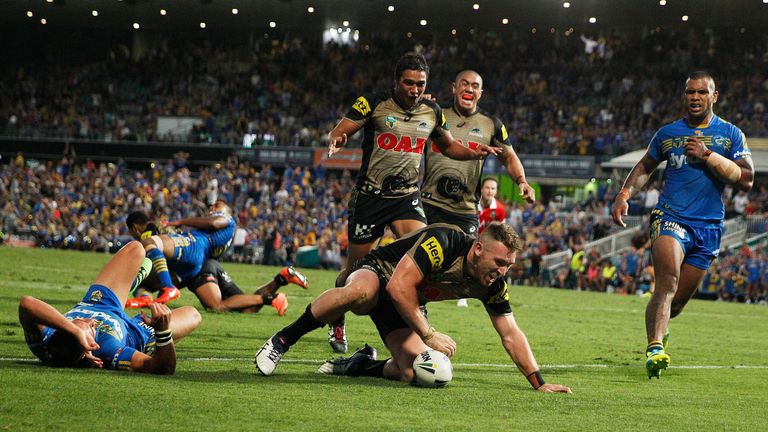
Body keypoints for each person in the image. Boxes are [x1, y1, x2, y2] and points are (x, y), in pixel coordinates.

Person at [254, 222, 571, 393]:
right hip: (378, 275)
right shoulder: (445, 242)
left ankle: (360, 365)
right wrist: (428, 333)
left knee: (415, 372)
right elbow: (397, 286)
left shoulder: (493, 284)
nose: (503, 271)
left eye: (509, 266)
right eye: (500, 262)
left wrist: (539, 383)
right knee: (361, 292)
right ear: (477, 249)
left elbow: (510, 333)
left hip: (404, 305)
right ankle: (283, 340)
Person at [324, 53, 501, 353]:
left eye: (420, 84)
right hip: (370, 198)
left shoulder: (432, 111)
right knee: (354, 271)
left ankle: (418, 322)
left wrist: (473, 153)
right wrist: (337, 138)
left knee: (420, 258)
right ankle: (337, 319)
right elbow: (341, 129)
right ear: (396, 81)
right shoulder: (373, 103)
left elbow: (448, 146)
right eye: (409, 83)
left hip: (407, 197)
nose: (415, 89)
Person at [611, 71, 754, 378]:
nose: (694, 97)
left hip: (709, 228)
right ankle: (654, 349)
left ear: (714, 96)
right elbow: (645, 165)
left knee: (675, 305)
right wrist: (624, 194)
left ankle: (662, 330)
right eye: (690, 92)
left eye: (702, 92)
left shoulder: (730, 135)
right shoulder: (668, 134)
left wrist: (709, 156)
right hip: (670, 217)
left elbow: (746, 179)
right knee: (667, 281)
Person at [18, 241, 202, 374]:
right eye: (91, 329)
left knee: (135, 249)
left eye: (81, 322)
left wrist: (76, 330)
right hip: (138, 332)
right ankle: (129, 285)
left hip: (99, 301)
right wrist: (162, 331)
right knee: (193, 315)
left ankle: (130, 284)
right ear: (89, 350)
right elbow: (161, 368)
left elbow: (27, 304)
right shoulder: (108, 350)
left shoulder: (46, 341)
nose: (90, 321)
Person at [126, 210, 308, 315]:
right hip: (206, 265)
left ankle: (270, 298)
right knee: (247, 309)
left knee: (216, 306)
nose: (213, 208)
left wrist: (179, 222)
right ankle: (280, 280)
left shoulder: (224, 220)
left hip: (202, 267)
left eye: (216, 206)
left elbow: (212, 224)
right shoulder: (211, 229)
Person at [421, 70, 535, 237]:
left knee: (464, 262)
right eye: (464, 84)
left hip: (464, 210)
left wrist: (522, 181)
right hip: (429, 203)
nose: (469, 89)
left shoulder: (491, 124)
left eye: (475, 86)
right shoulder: (435, 114)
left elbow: (509, 156)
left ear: (480, 93)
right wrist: (416, 106)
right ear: (454, 88)